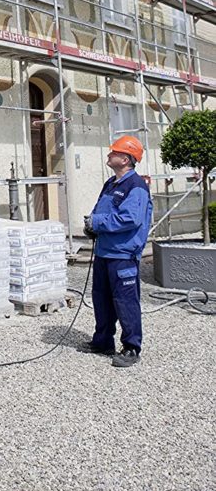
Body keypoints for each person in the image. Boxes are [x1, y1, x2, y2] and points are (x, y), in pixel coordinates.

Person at [83, 135, 153, 368]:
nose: (108, 155)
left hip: (123, 254)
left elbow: (130, 218)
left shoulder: (136, 186)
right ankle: (103, 341)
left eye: (113, 152)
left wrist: (98, 222)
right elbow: (100, 209)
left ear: (125, 158)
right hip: (105, 252)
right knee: (101, 299)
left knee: (125, 302)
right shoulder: (111, 184)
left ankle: (132, 347)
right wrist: (92, 225)